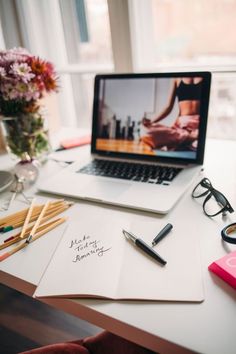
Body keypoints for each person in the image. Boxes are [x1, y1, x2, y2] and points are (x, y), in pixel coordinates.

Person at [141, 77, 203, 151]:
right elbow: (168, 107)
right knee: (146, 131)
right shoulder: (176, 79)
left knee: (203, 138)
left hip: (198, 125)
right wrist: (151, 122)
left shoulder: (204, 78)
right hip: (181, 127)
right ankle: (190, 139)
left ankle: (187, 140)